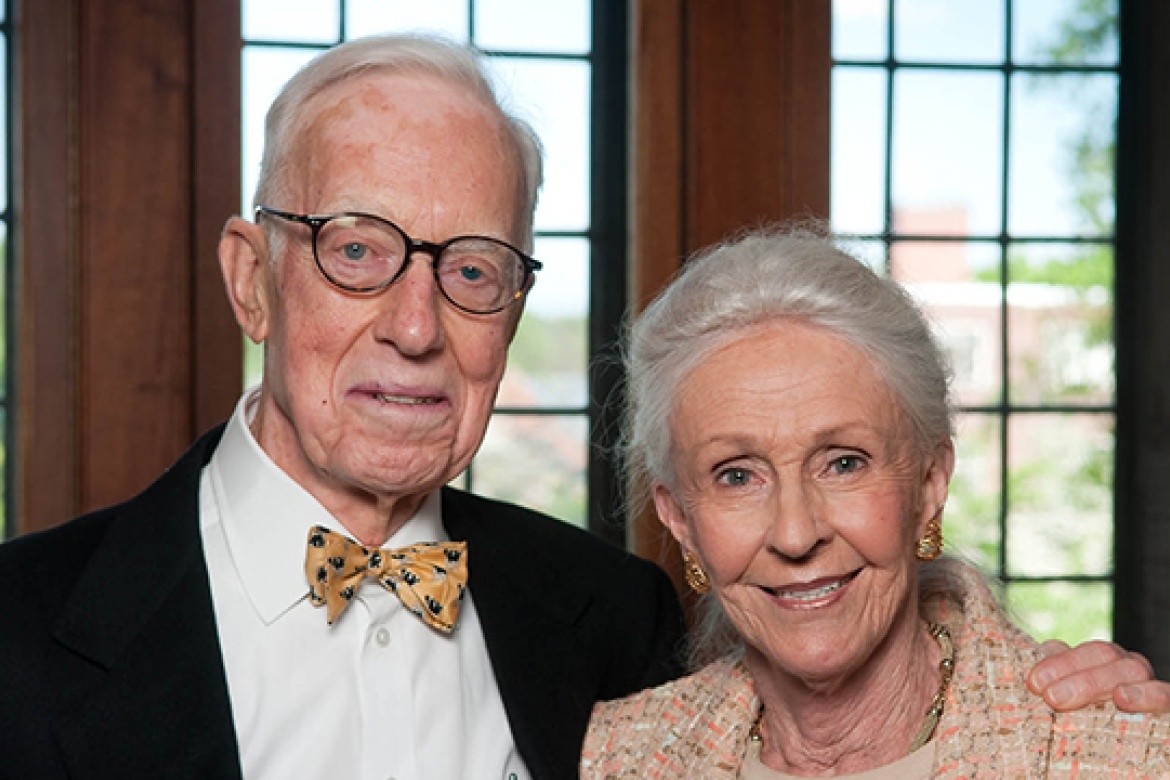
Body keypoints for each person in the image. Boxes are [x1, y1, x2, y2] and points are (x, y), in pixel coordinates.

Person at [0, 35, 1161, 780]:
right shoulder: (18, 638)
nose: (415, 325)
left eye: (472, 269)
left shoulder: (611, 628)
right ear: (253, 278)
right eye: (357, 250)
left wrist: (1068, 708)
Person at [581, 225, 1170, 778]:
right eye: (737, 476)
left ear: (930, 484)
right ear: (680, 518)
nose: (794, 533)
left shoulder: (1123, 755)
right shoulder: (616, 757)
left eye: (843, 463)